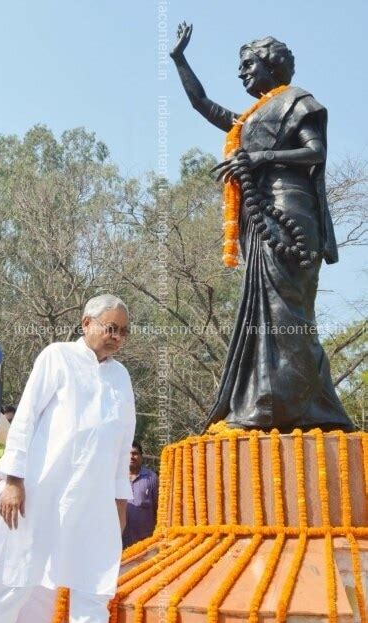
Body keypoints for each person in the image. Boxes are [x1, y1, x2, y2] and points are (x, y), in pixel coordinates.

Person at [170, 24, 353, 432]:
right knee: (266, 311)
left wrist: (259, 158)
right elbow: (202, 104)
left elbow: (315, 151)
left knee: (286, 308)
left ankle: (291, 406)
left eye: (248, 64)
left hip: (290, 213)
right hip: (261, 216)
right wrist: (179, 59)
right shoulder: (251, 117)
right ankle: (267, 400)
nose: (241, 73)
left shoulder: (297, 101)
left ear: (273, 66)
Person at [0, 293, 135, 623]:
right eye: (110, 328)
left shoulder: (121, 377)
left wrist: (120, 502)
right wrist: (13, 480)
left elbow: (124, 445)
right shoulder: (57, 357)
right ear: (86, 324)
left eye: (123, 331)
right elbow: (24, 418)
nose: (117, 336)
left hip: (95, 505)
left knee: (94, 590)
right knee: (16, 583)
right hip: (40, 494)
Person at [122, 440, 158, 549]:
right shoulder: (116, 479)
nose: (131, 456)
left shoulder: (151, 478)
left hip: (146, 542)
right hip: (122, 542)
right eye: (128, 454)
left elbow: (159, 508)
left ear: (141, 457)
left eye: (135, 453)